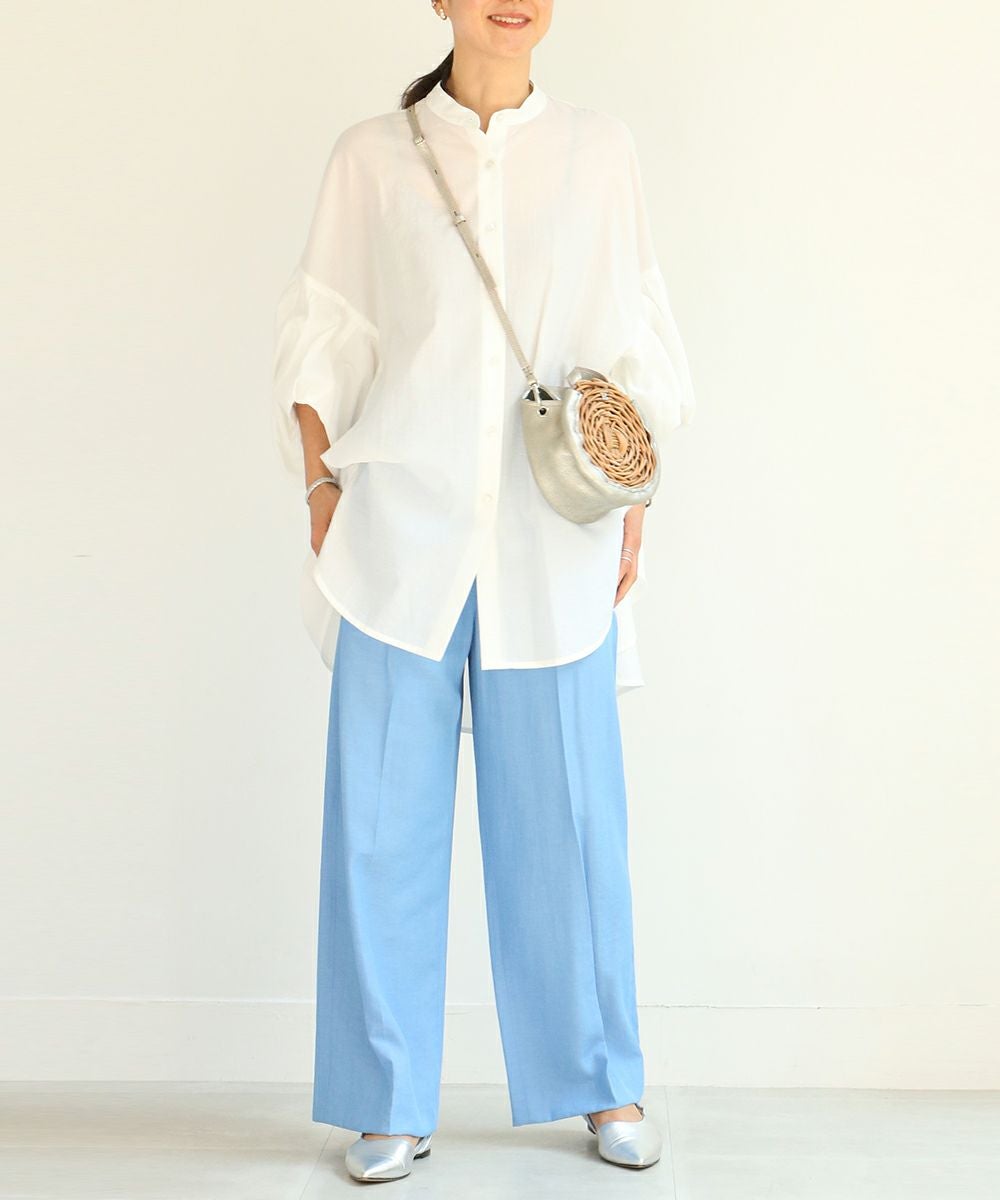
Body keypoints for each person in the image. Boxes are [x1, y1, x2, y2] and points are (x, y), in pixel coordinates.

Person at [271, 0, 694, 1184]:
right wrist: (318, 487)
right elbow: (324, 330)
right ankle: (385, 1097)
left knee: (572, 822)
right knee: (379, 829)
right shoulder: (372, 156)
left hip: (551, 539)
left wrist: (633, 496)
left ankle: (602, 1081)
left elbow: (631, 336)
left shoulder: (600, 151)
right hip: (398, 538)